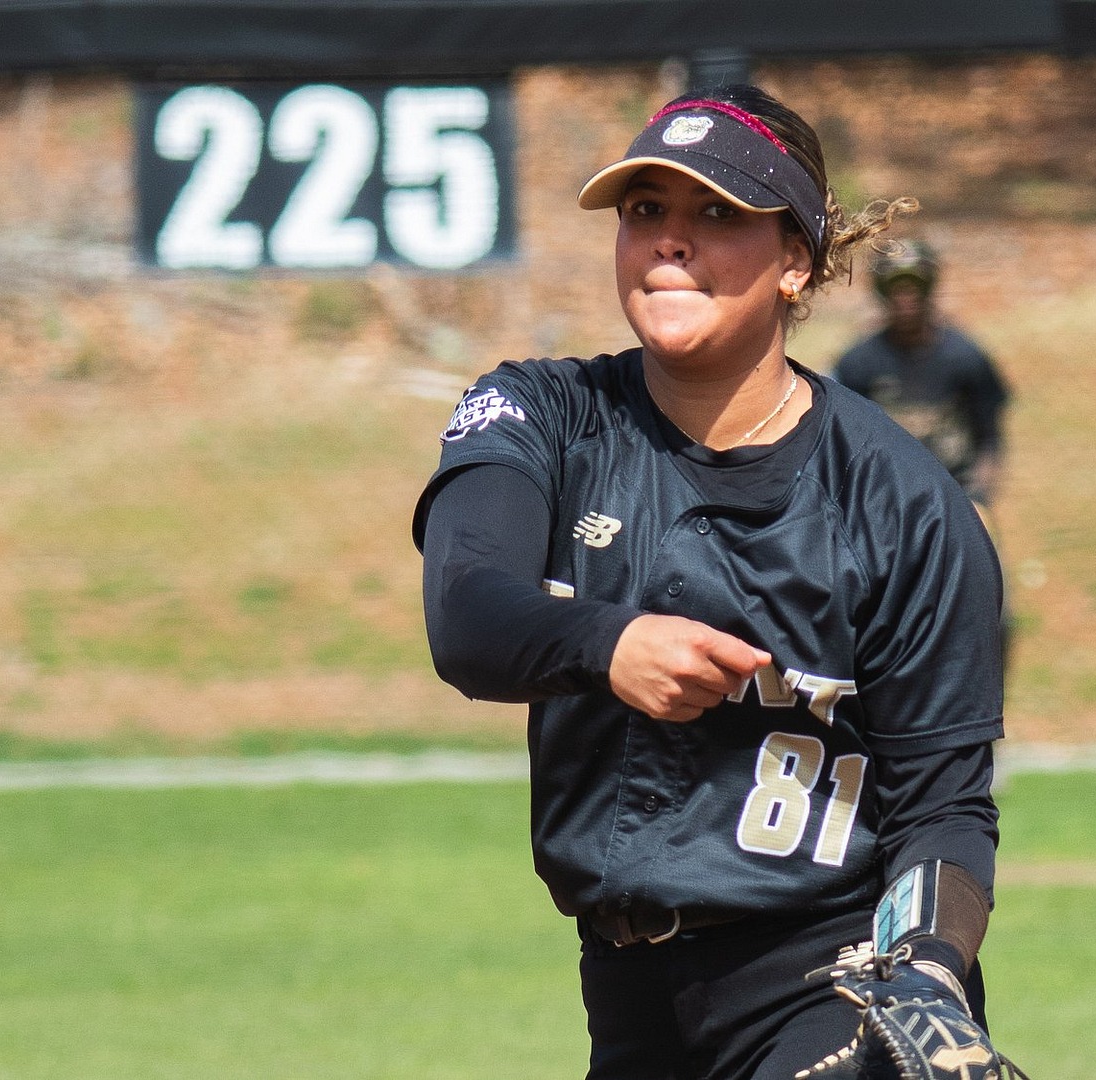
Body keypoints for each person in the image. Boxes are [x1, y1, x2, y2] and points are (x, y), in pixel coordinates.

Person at [413, 84, 1007, 1080]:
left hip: (832, 989)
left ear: (796, 260)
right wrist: (609, 644)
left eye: (717, 215)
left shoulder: (901, 501)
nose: (668, 243)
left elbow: (943, 806)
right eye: (646, 211)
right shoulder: (541, 417)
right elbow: (467, 613)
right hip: (629, 998)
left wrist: (930, 970)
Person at [833, 240, 1010, 509]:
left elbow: (988, 436)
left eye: (915, 286)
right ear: (882, 292)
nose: (906, 297)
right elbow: (842, 443)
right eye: (896, 288)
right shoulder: (858, 364)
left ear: (929, 288)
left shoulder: (965, 358)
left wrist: (978, 501)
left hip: (956, 495)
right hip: (883, 501)